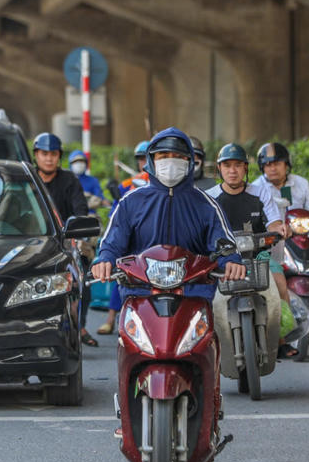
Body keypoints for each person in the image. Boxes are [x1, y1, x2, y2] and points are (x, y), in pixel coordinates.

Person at [91, 127, 245, 296]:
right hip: (140, 295)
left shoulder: (206, 205)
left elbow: (222, 241)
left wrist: (231, 261)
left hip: (193, 295)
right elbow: (113, 241)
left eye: (179, 157)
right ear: (152, 160)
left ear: (190, 161)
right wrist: (104, 260)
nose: (171, 162)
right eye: (164, 157)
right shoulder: (130, 202)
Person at [205, 143, 293, 366]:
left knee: (280, 285)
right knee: (203, 300)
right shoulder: (209, 197)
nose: (232, 170)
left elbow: (273, 220)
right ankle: (205, 342)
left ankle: (281, 339)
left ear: (245, 169)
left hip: (258, 256)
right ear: (219, 169)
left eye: (237, 165)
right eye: (227, 165)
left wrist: (279, 228)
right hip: (222, 262)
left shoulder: (259, 192)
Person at [251, 141, 309, 306]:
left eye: (277, 163)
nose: (273, 168)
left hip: (304, 243)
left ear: (287, 164)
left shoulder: (301, 184)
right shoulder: (256, 188)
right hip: (275, 246)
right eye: (268, 164)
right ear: (262, 168)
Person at [31, 133, 96, 347]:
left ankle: (80, 323)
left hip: (66, 241)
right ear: (36, 155)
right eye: (44, 154)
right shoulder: (28, 179)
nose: (48, 158)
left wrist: (76, 236)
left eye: (53, 154)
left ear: (59, 156)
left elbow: (80, 211)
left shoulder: (70, 180)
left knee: (84, 277)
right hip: (32, 243)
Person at [98, 139, 150, 336]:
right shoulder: (129, 183)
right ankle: (112, 319)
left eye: (147, 157)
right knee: (121, 276)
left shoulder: (163, 182)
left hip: (153, 239)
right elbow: (115, 214)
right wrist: (115, 196)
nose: (143, 162)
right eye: (140, 158)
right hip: (131, 239)